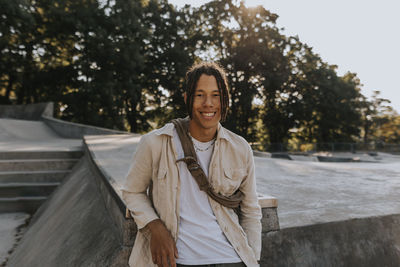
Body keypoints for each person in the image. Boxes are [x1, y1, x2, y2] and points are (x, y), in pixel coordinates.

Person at [122, 62, 262, 267]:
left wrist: (253, 258)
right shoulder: (156, 143)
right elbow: (132, 192)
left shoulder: (240, 148)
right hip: (178, 260)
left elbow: (251, 210)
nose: (208, 103)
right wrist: (156, 227)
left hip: (233, 259)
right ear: (187, 99)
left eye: (216, 95)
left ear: (225, 100)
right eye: (200, 95)